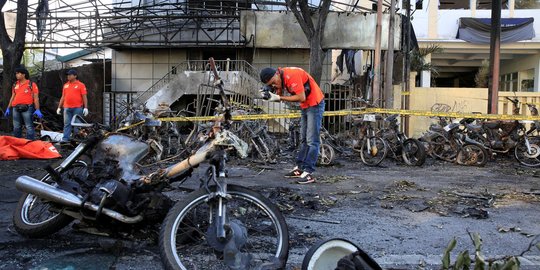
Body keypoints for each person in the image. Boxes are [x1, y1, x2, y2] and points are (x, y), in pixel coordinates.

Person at [259, 67, 325, 184]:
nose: (274, 85)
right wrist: (269, 95)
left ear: (276, 74)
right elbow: (279, 97)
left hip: (315, 104)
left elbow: (301, 97)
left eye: (273, 82)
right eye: (271, 84)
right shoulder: (281, 77)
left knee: (312, 140)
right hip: (305, 105)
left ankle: (309, 172)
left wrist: (278, 97)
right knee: (304, 139)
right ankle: (300, 168)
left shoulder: (292, 75)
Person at [3, 67, 43, 140]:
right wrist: (8, 108)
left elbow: (36, 98)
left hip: (27, 108)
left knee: (29, 126)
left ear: (23, 74)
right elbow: (12, 96)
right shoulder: (15, 84)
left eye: (18, 73)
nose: (16, 75)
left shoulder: (31, 84)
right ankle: (17, 142)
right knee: (16, 126)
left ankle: (29, 143)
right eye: (16, 73)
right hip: (15, 108)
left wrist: (37, 109)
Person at [56, 69, 89, 142]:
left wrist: (86, 108)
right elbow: (63, 96)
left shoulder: (81, 85)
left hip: (77, 108)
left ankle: (77, 140)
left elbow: (84, 96)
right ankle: (65, 139)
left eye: (70, 75)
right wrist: (59, 107)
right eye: (68, 75)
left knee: (77, 125)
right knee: (67, 124)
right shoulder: (65, 85)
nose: (68, 76)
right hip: (67, 108)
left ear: (75, 76)